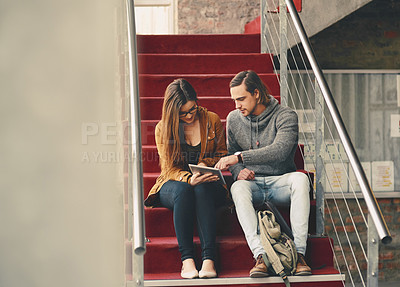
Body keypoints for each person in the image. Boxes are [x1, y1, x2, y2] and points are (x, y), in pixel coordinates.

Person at [215, 70, 312, 277]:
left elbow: (280, 151)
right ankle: (261, 255)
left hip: (280, 181)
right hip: (254, 185)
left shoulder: (285, 115)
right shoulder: (234, 118)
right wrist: (239, 171)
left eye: (241, 99)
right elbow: (230, 153)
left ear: (256, 93)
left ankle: (300, 254)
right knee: (237, 187)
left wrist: (240, 158)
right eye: (234, 100)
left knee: (302, 179)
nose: (237, 105)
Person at [144, 78, 229, 279]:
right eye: (183, 113)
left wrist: (206, 166)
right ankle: (187, 260)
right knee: (186, 190)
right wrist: (188, 178)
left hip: (207, 183)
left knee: (201, 189)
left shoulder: (212, 120)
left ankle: (209, 259)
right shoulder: (162, 128)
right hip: (174, 184)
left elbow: (222, 154)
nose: (190, 116)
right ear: (173, 112)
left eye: (192, 109)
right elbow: (169, 168)